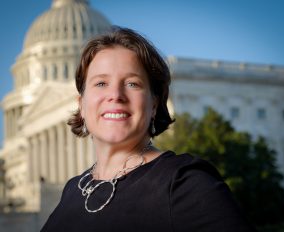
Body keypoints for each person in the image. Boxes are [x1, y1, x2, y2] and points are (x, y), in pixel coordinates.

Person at [41, 26, 256, 232]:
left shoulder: (184, 183)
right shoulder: (74, 189)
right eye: (101, 83)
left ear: (154, 104)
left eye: (132, 83)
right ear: (82, 105)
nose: (115, 95)